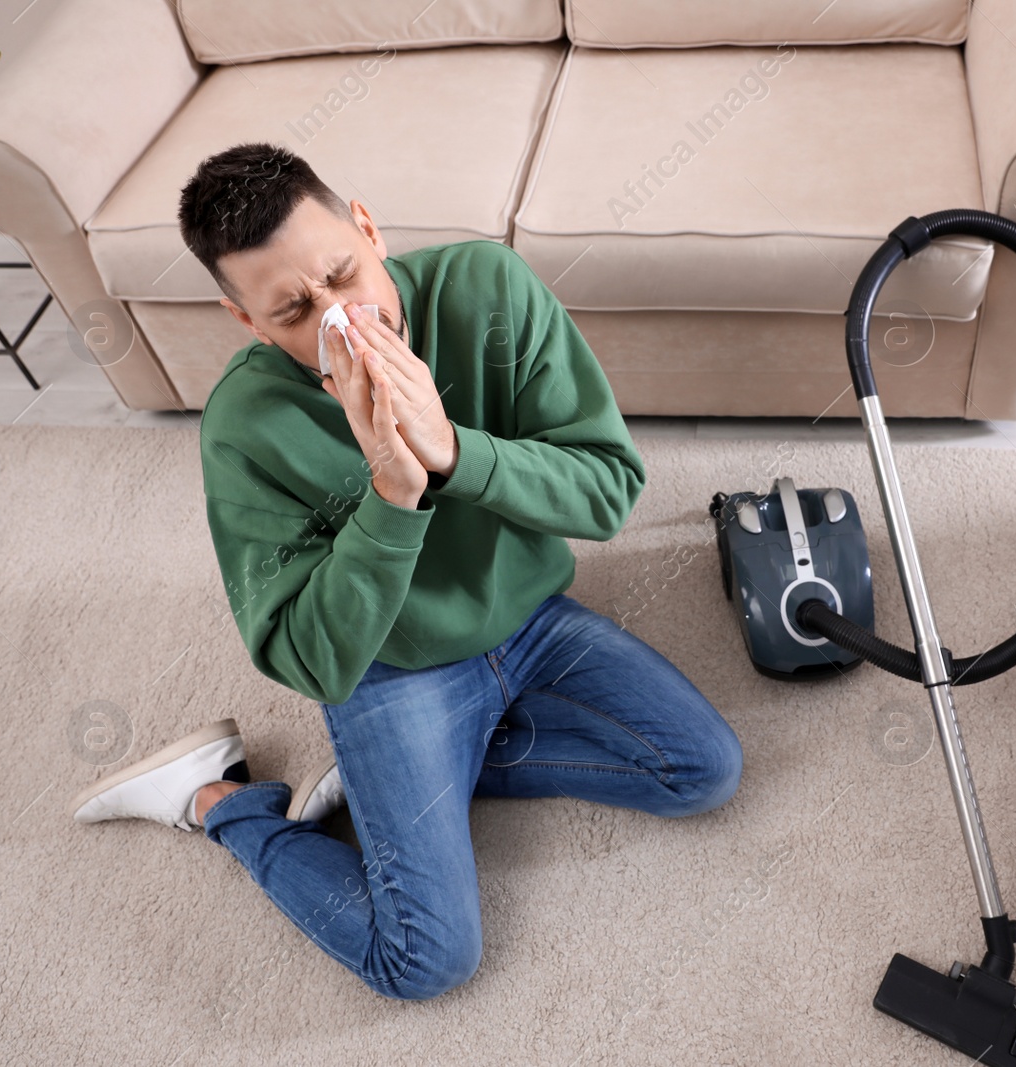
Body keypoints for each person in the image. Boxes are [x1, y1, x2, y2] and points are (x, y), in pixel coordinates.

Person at [65, 142, 743, 1001]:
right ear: (249, 323)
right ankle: (212, 801)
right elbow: (307, 657)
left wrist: (459, 452)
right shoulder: (245, 423)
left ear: (369, 229)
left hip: (529, 618)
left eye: (344, 275)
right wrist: (393, 493)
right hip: (386, 667)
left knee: (705, 768)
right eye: (296, 310)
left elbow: (608, 492)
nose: (339, 317)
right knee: (426, 960)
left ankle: (406, 769)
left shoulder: (487, 289)